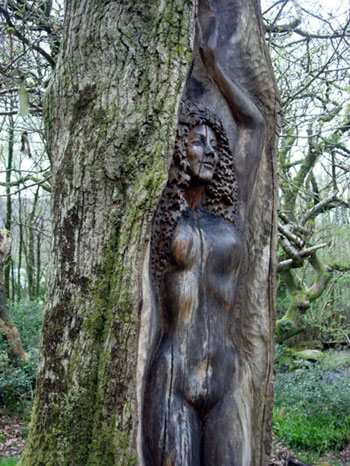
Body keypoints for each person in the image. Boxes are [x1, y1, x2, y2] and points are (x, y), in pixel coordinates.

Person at [142, 7, 264, 465]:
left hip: (226, 379)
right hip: (172, 377)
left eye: (215, 143)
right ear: (176, 149)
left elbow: (254, 125)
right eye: (197, 141)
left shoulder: (229, 215)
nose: (210, 150)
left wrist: (212, 65)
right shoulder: (160, 214)